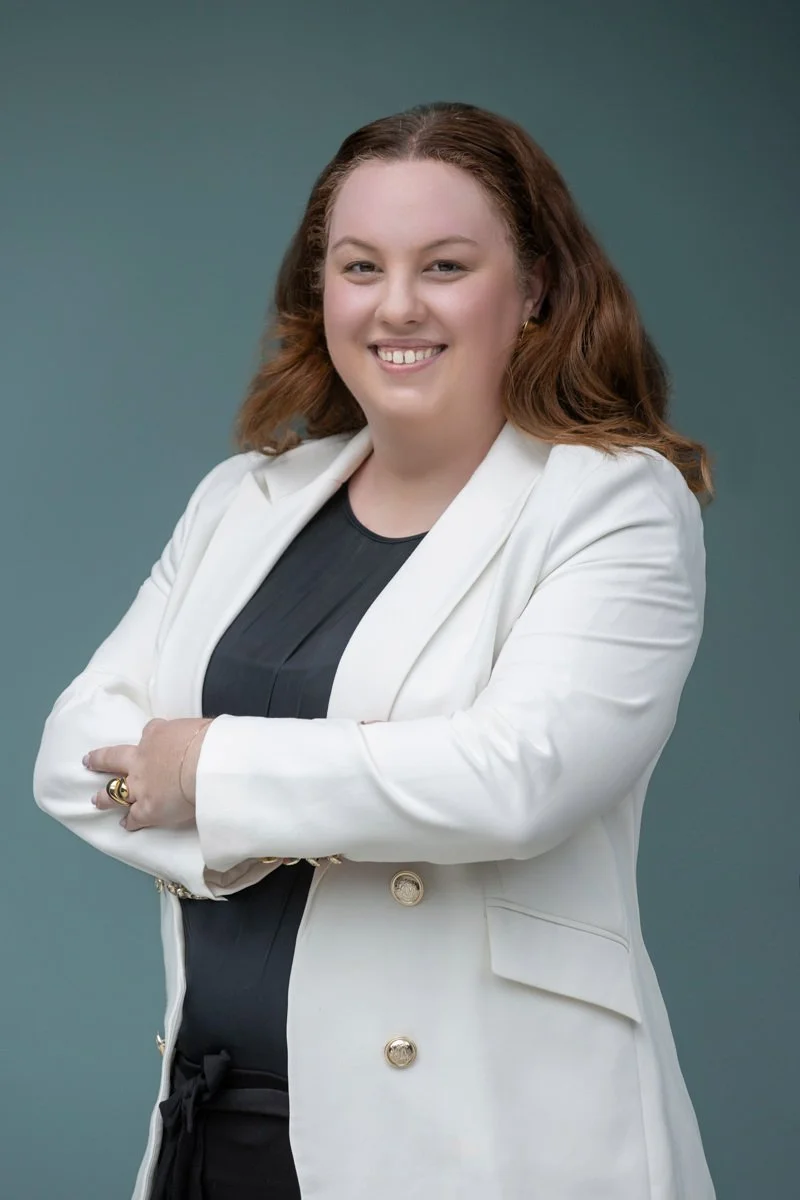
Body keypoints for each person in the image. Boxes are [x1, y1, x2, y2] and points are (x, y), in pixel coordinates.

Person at [33, 100, 717, 1200]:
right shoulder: (244, 500)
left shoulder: (611, 505)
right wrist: (258, 828)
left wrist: (207, 775)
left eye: (444, 265)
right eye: (359, 266)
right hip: (219, 1120)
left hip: (478, 1136)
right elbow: (74, 752)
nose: (396, 306)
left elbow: (512, 777)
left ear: (532, 286)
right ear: (321, 289)